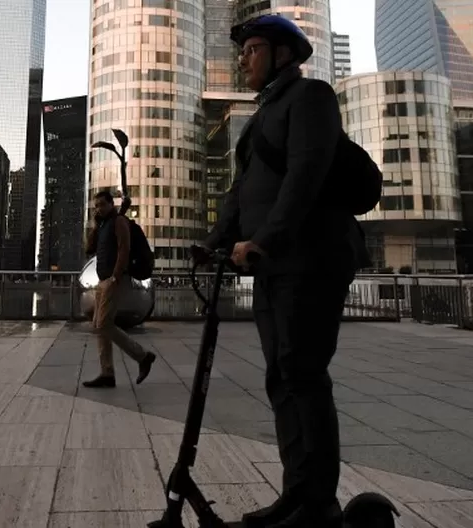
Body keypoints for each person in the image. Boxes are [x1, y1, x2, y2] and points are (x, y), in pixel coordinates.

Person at [199, 15, 356, 528]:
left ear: (284, 54)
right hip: (274, 265)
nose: (242, 57)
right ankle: (297, 494)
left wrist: (264, 240)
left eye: (253, 48)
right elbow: (244, 189)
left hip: (310, 259)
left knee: (303, 375)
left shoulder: (311, 99)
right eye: (241, 50)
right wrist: (217, 239)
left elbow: (306, 176)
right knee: (282, 378)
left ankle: (318, 504)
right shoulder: (263, 113)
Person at [82, 190, 156, 388]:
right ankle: (107, 373)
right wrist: (96, 225)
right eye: (96, 206)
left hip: (114, 280)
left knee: (103, 324)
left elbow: (124, 249)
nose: (99, 209)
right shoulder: (103, 224)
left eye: (102, 205)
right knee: (99, 326)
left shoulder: (119, 222)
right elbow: (89, 248)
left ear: (111, 204)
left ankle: (142, 356)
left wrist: (115, 276)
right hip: (102, 280)